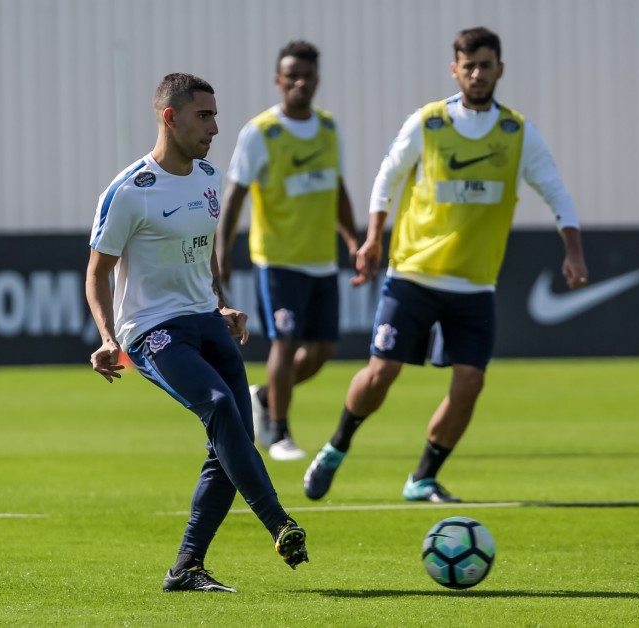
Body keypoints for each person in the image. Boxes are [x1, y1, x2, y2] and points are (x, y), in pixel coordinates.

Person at [303, 27, 589, 503]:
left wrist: (574, 250)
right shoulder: (428, 123)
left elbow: (555, 190)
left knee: (471, 381)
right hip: (413, 274)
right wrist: (374, 237)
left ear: (500, 69)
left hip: (474, 285)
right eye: (469, 65)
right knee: (381, 372)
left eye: (486, 64)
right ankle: (336, 447)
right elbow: (387, 178)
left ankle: (423, 479)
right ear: (455, 70)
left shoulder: (518, 133)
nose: (477, 73)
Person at [86, 72, 308, 593]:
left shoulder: (209, 176)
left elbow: (203, 247)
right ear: (170, 117)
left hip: (207, 321)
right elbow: (97, 271)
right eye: (203, 115)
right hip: (152, 332)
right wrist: (107, 338)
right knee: (220, 407)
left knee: (228, 444)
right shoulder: (129, 191)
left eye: (214, 114)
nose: (215, 125)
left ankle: (186, 567)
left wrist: (221, 303)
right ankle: (279, 522)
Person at [216, 40, 359, 462]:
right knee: (284, 341)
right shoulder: (261, 132)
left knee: (321, 351)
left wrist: (354, 241)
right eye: (291, 75)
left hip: (321, 259)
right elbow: (235, 198)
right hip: (277, 258)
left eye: (307, 75)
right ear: (278, 80)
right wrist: (222, 256)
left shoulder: (329, 128)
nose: (299, 82)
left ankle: (265, 397)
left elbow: (336, 189)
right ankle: (279, 433)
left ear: (317, 80)